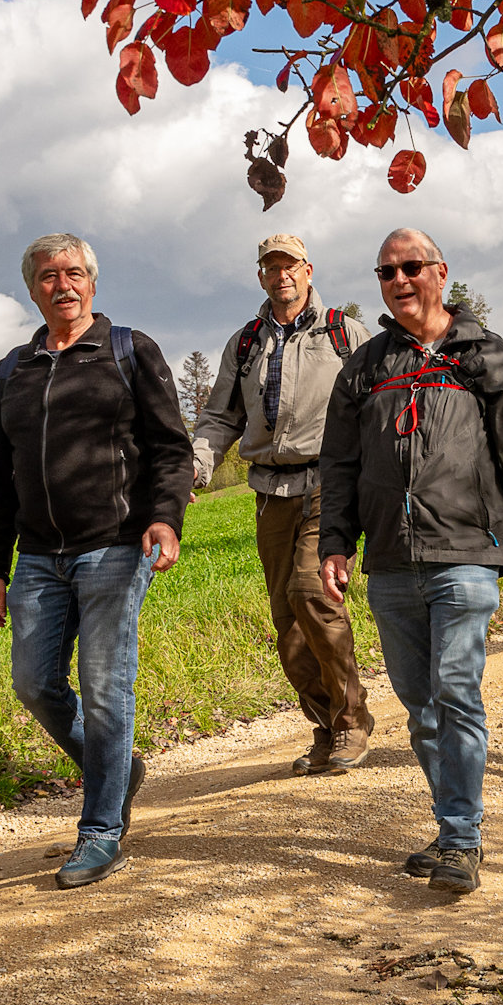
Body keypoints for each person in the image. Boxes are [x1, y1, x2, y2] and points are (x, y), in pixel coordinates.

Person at [320, 227, 503, 897]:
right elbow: (337, 467)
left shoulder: (485, 355)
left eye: (411, 266)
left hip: (467, 556)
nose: (399, 279)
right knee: (421, 705)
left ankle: (461, 836)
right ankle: (452, 818)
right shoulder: (363, 368)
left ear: (440, 273)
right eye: (387, 271)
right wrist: (334, 543)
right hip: (391, 564)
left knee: (454, 688)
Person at [0, 233, 194, 891]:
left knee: (105, 686)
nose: (60, 283)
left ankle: (101, 830)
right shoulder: (12, 370)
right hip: (39, 558)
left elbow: (170, 448)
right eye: (47, 275)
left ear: (91, 282)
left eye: (72, 272)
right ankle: (119, 768)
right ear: (32, 288)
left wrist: (165, 516)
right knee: (34, 682)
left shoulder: (129, 350)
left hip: (115, 546)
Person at [189, 234, 374, 777]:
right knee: (287, 620)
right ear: (261, 276)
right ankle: (326, 725)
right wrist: (196, 466)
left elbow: (373, 404)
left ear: (308, 270)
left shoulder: (344, 333)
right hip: (270, 491)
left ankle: (350, 722)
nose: (281, 275)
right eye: (271, 268)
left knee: (311, 593)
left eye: (290, 265)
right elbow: (221, 417)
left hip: (330, 482)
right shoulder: (245, 343)